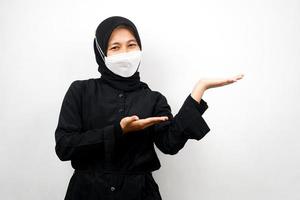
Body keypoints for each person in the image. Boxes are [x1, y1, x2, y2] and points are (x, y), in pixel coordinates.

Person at [54, 16, 244, 200]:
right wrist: (118, 131)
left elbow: (170, 144)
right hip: (87, 192)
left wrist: (200, 88)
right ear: (101, 52)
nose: (126, 53)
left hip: (139, 192)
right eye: (115, 47)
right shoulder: (80, 91)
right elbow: (64, 147)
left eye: (131, 45)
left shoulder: (153, 99)